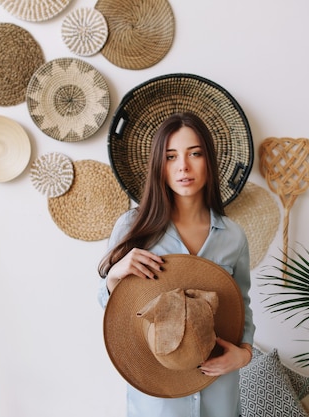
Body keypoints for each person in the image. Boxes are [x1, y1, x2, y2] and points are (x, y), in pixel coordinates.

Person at [98, 112, 255, 417]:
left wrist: (244, 355)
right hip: (157, 398)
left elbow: (242, 306)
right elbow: (112, 312)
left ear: (208, 160)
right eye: (171, 157)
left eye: (194, 153)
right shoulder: (132, 228)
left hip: (219, 388)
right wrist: (114, 275)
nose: (183, 166)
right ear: (160, 165)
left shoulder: (233, 237)